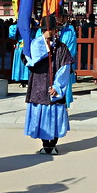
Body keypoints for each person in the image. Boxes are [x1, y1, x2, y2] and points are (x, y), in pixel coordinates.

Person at [23, 14, 74, 155]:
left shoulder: (61, 48)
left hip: (54, 88)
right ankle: (46, 145)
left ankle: (53, 145)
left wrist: (57, 86)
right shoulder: (35, 45)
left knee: (55, 116)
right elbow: (29, 62)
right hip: (39, 85)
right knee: (41, 116)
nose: (50, 32)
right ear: (42, 29)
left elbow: (65, 68)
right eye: (46, 30)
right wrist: (41, 49)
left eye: (52, 30)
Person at [56, 10, 77, 107]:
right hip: (52, 63)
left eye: (60, 16)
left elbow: (72, 48)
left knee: (65, 86)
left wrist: (65, 59)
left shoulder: (70, 29)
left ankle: (64, 108)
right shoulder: (50, 29)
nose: (58, 19)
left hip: (64, 62)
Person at [9, 18, 36, 87]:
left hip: (30, 47)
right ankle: (21, 80)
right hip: (20, 47)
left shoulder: (33, 29)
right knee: (20, 64)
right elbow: (11, 34)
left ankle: (28, 80)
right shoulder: (18, 28)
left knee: (28, 63)